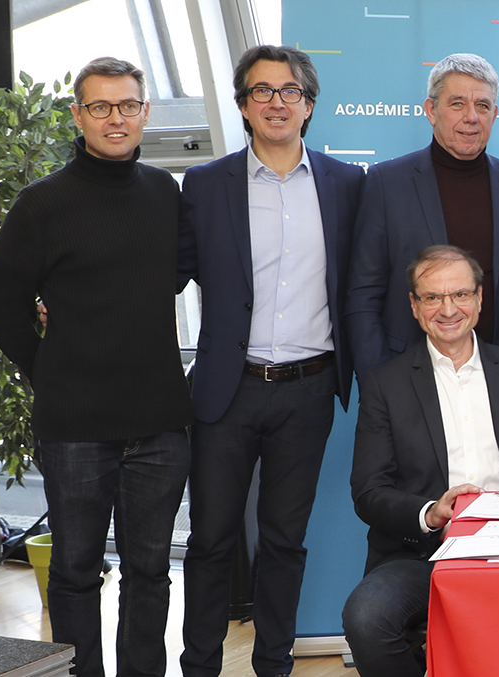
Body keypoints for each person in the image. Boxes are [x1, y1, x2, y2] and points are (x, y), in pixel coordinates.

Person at [0, 57, 192, 677]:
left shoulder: (165, 193)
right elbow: (3, 301)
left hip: (158, 421)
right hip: (74, 423)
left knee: (151, 573)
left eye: (127, 105)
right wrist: (49, 370)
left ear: (146, 112)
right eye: (100, 106)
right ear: (78, 115)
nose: (116, 118)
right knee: (75, 570)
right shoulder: (42, 202)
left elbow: (169, 278)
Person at [175, 45, 364, 677]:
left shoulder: (346, 184)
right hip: (227, 389)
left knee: (285, 542)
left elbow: (363, 282)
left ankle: (274, 665)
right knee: (209, 542)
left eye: (290, 91)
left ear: (309, 105)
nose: (276, 102)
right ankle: (199, 665)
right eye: (262, 91)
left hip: (308, 391)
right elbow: (163, 275)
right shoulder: (204, 186)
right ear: (243, 105)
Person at [342, 245, 499, 676]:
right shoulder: (385, 385)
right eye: (432, 297)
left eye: (460, 295)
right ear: (414, 306)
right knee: (366, 618)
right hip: (422, 555)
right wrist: (431, 512)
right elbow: (369, 491)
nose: (448, 309)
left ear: (479, 299)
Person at [348, 53, 499, 378]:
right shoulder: (386, 184)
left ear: (495, 115)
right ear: (430, 110)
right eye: (457, 104)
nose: (471, 117)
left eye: (482, 106)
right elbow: (363, 295)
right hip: (408, 377)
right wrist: (379, 383)